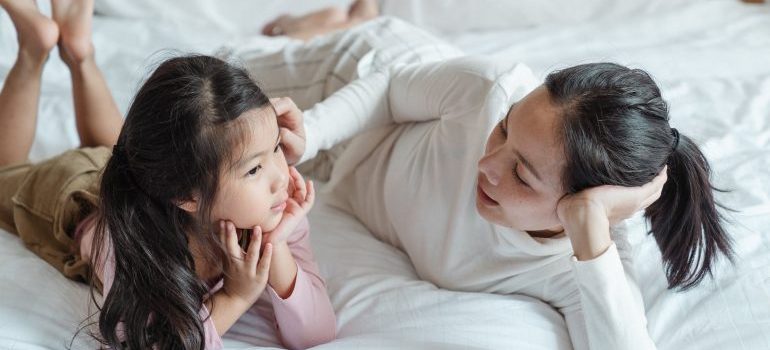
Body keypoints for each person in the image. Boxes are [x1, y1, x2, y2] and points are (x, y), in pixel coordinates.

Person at [245, 17, 734, 350]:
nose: (489, 164)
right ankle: (351, 19)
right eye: (505, 127)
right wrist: (311, 133)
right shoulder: (490, 89)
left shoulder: (580, 264)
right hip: (350, 85)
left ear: (578, 206)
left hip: (342, 174)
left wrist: (589, 228)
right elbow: (392, 89)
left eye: (521, 173)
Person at [0, 1, 336, 349]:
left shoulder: (272, 204)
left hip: (130, 174)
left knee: (114, 148)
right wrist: (235, 298)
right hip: (71, 196)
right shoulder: (135, 246)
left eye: (277, 147)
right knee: (5, 172)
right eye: (254, 168)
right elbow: (154, 344)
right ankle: (33, 48)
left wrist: (275, 243)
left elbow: (317, 333)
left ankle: (79, 51)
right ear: (186, 196)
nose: (281, 177)